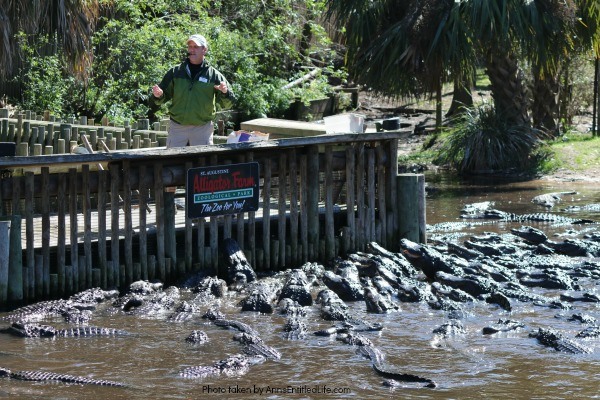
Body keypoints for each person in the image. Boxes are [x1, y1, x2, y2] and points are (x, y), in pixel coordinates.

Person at [151, 34, 235, 147]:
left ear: (204, 50)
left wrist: (225, 93)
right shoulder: (175, 72)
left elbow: (228, 104)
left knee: (202, 164)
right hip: (177, 128)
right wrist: (158, 95)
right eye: (190, 46)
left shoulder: (214, 75)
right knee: (173, 163)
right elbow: (160, 98)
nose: (192, 49)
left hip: (202, 130)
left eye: (196, 47)